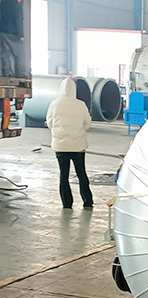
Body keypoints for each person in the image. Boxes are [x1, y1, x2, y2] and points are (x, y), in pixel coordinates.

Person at [46, 78, 93, 209]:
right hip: (78, 146)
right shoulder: (81, 105)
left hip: (60, 146)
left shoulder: (54, 104)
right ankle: (87, 200)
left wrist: (58, 132)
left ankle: (67, 203)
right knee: (81, 173)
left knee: (64, 175)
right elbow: (87, 123)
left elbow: (49, 122)